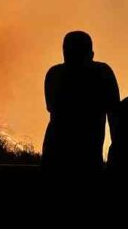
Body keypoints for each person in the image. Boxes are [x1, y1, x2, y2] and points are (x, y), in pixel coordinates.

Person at [42, 31, 120, 170]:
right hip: (87, 153)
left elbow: (51, 107)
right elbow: (114, 115)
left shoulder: (54, 74)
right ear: (91, 54)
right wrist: (117, 153)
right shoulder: (102, 72)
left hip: (56, 153)